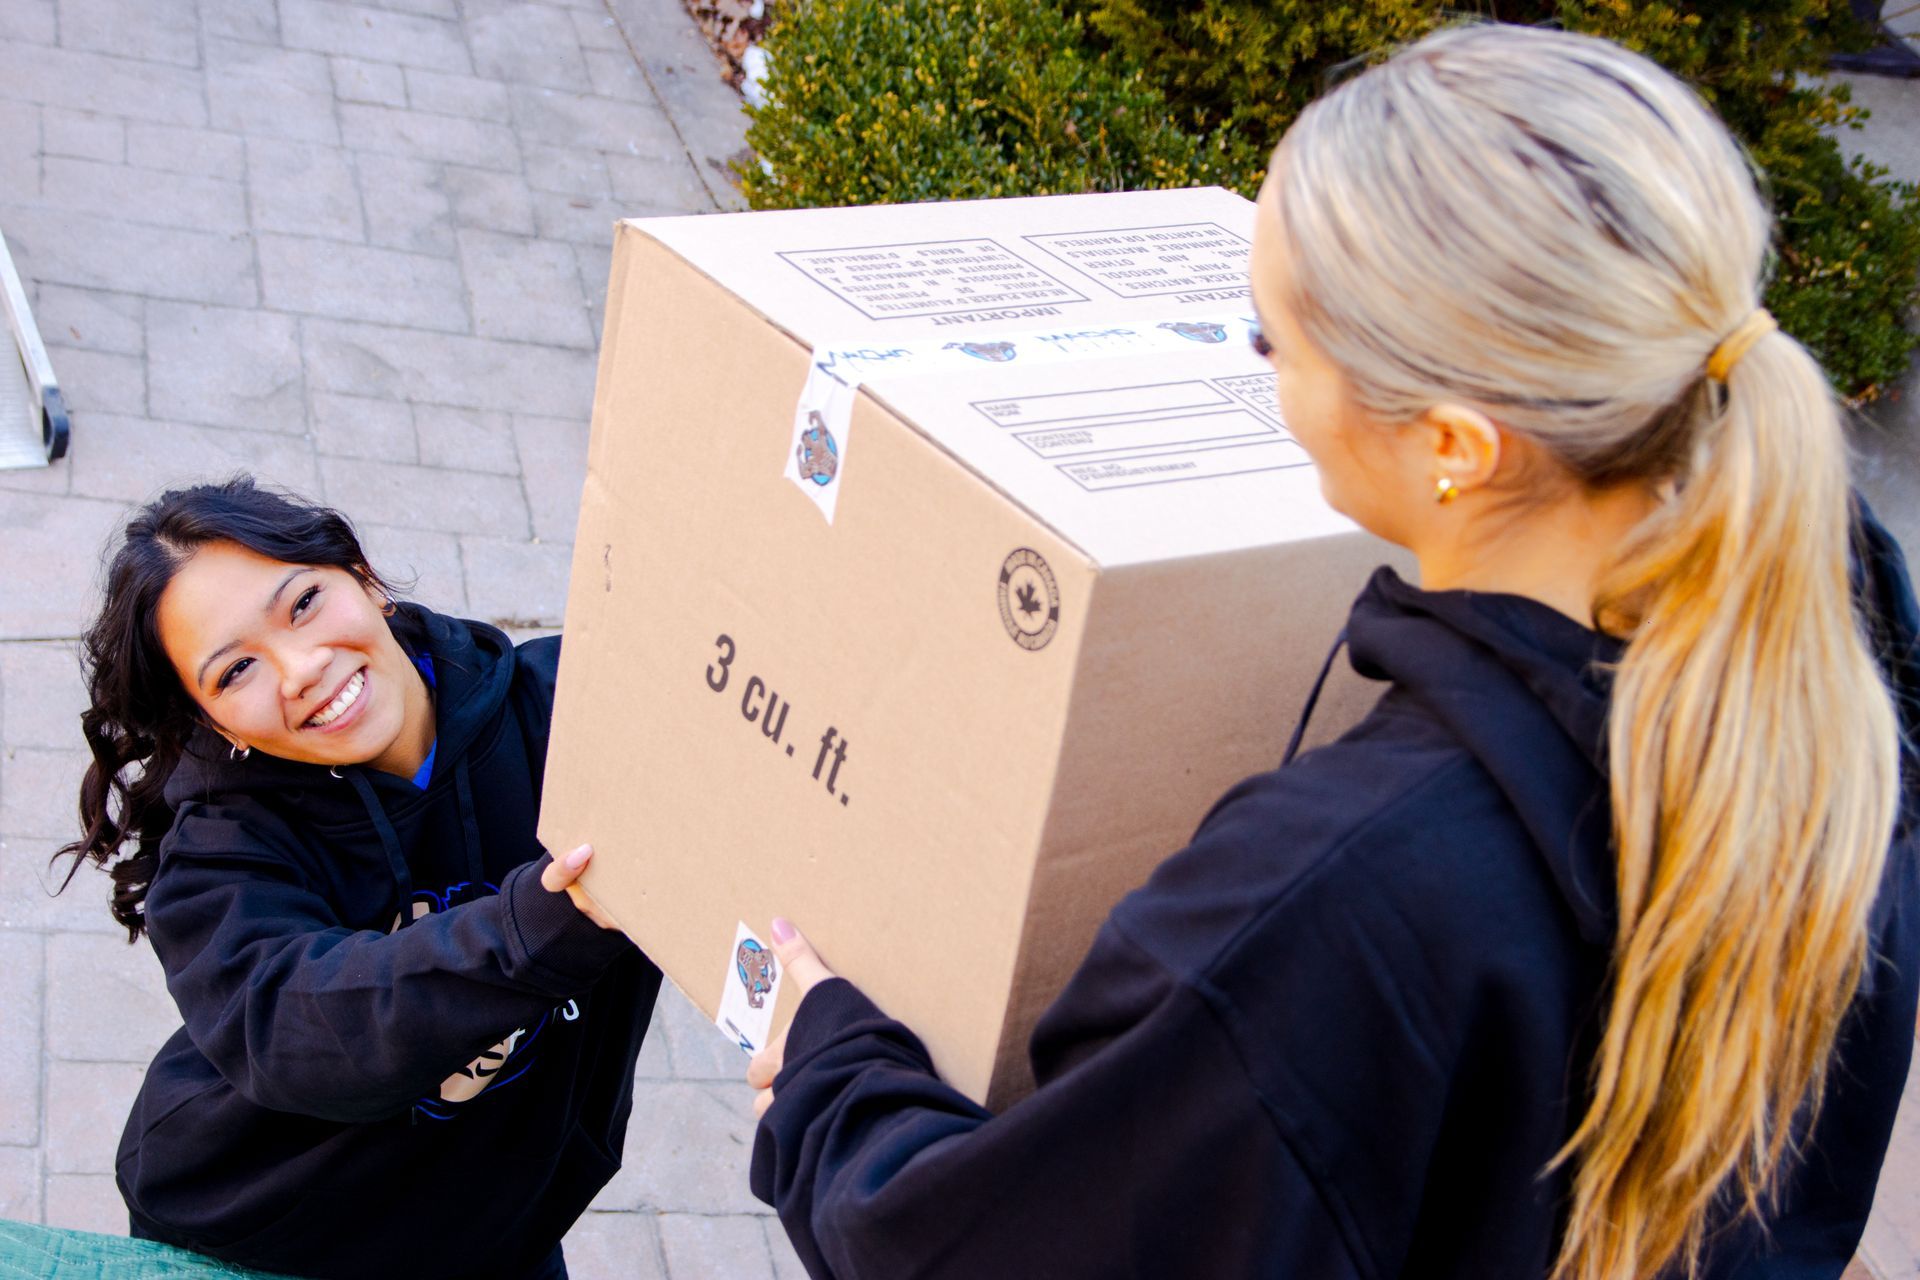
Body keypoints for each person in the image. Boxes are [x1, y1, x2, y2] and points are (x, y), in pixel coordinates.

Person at [743, 23, 1920, 1280]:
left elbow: (979, 1251)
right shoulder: (1837, 674)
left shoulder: (1332, 902)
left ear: (1459, 447)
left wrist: (829, 1082)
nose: (1257, 369)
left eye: (1272, 338)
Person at [57, 477, 662, 1280]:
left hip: (496, 1228)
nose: (301, 667)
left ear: (362, 575)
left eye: (303, 603)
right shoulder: (218, 853)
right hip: (271, 1241)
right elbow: (292, 1028)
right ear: (210, 720)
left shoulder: (564, 711)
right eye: (236, 670)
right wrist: (539, 928)